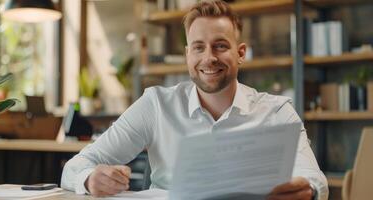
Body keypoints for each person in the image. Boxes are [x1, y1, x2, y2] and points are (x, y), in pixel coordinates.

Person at [61, 0, 329, 199]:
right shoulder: (155, 104)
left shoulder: (277, 110)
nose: (209, 57)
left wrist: (306, 190)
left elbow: (315, 179)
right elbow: (74, 167)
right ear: (189, 54)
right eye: (199, 47)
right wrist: (89, 179)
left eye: (221, 45)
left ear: (241, 53)